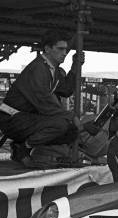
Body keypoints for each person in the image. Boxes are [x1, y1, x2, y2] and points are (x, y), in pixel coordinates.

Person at [0, 29, 84, 166]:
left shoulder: (52, 70)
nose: (64, 53)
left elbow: (66, 90)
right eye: (60, 49)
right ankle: (23, 148)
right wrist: (72, 117)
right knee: (61, 125)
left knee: (71, 131)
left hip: (25, 117)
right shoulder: (38, 69)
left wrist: (75, 65)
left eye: (66, 49)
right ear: (47, 49)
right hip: (12, 119)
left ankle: (23, 146)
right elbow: (45, 102)